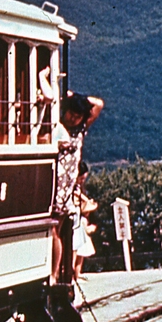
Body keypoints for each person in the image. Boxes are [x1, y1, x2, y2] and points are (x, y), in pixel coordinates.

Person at [51, 91, 104, 284]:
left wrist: (74, 96)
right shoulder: (56, 126)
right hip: (55, 182)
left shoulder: (80, 130)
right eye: (71, 112)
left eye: (78, 115)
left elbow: (98, 104)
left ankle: (55, 274)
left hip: (65, 187)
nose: (73, 118)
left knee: (57, 229)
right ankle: (55, 273)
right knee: (55, 230)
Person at [70, 162, 98, 282]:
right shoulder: (73, 189)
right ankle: (71, 273)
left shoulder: (80, 188)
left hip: (81, 220)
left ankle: (77, 272)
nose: (82, 181)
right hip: (76, 220)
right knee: (74, 248)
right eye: (81, 178)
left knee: (81, 248)